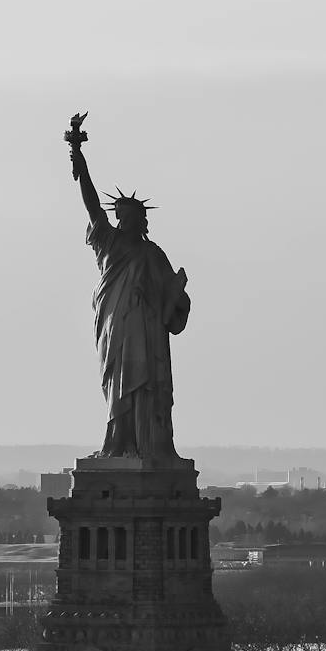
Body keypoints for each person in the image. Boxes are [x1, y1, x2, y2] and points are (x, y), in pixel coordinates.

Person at [65, 113, 191, 459]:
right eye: (121, 214)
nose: (125, 219)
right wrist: (79, 160)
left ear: (141, 220)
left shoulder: (152, 253)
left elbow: (173, 304)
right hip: (116, 325)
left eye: (132, 215)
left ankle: (148, 445)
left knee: (148, 384)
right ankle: (119, 441)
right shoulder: (110, 244)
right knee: (118, 384)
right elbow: (92, 205)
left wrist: (177, 293)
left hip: (147, 331)